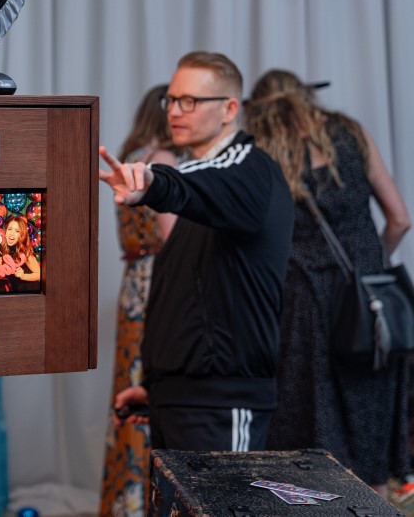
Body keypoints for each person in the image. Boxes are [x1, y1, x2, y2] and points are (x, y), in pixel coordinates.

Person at [99, 50, 293, 452]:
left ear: (229, 109)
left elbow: (182, 182)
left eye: (190, 101)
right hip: (179, 400)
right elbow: (190, 296)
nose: (175, 111)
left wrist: (151, 181)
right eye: (171, 99)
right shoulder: (206, 185)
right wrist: (158, 387)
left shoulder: (248, 170)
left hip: (224, 404)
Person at [245, 69, 411, 493]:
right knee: (368, 417)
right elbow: (399, 219)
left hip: (304, 305)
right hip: (369, 306)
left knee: (311, 424)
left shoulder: (264, 154)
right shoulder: (350, 133)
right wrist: (368, 267)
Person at [99, 84, 178, 517]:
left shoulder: (134, 153)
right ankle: (147, 503)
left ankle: (122, 501)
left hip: (133, 281)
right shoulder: (164, 160)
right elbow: (171, 236)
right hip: (156, 281)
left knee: (128, 384)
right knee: (151, 385)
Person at [2, 215, 41, 291]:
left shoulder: (25, 252)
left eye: (17, 231)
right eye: (10, 229)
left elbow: (39, 275)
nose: (12, 233)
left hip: (30, 292)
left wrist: (23, 276)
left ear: (22, 235)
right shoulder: (5, 250)